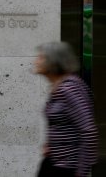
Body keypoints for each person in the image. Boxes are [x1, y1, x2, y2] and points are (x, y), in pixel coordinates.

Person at [34, 42, 98, 177]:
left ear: (54, 62)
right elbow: (65, 124)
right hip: (54, 162)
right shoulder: (59, 87)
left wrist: (81, 172)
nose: (36, 61)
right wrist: (51, 145)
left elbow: (89, 132)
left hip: (66, 167)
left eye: (41, 58)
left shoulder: (69, 89)